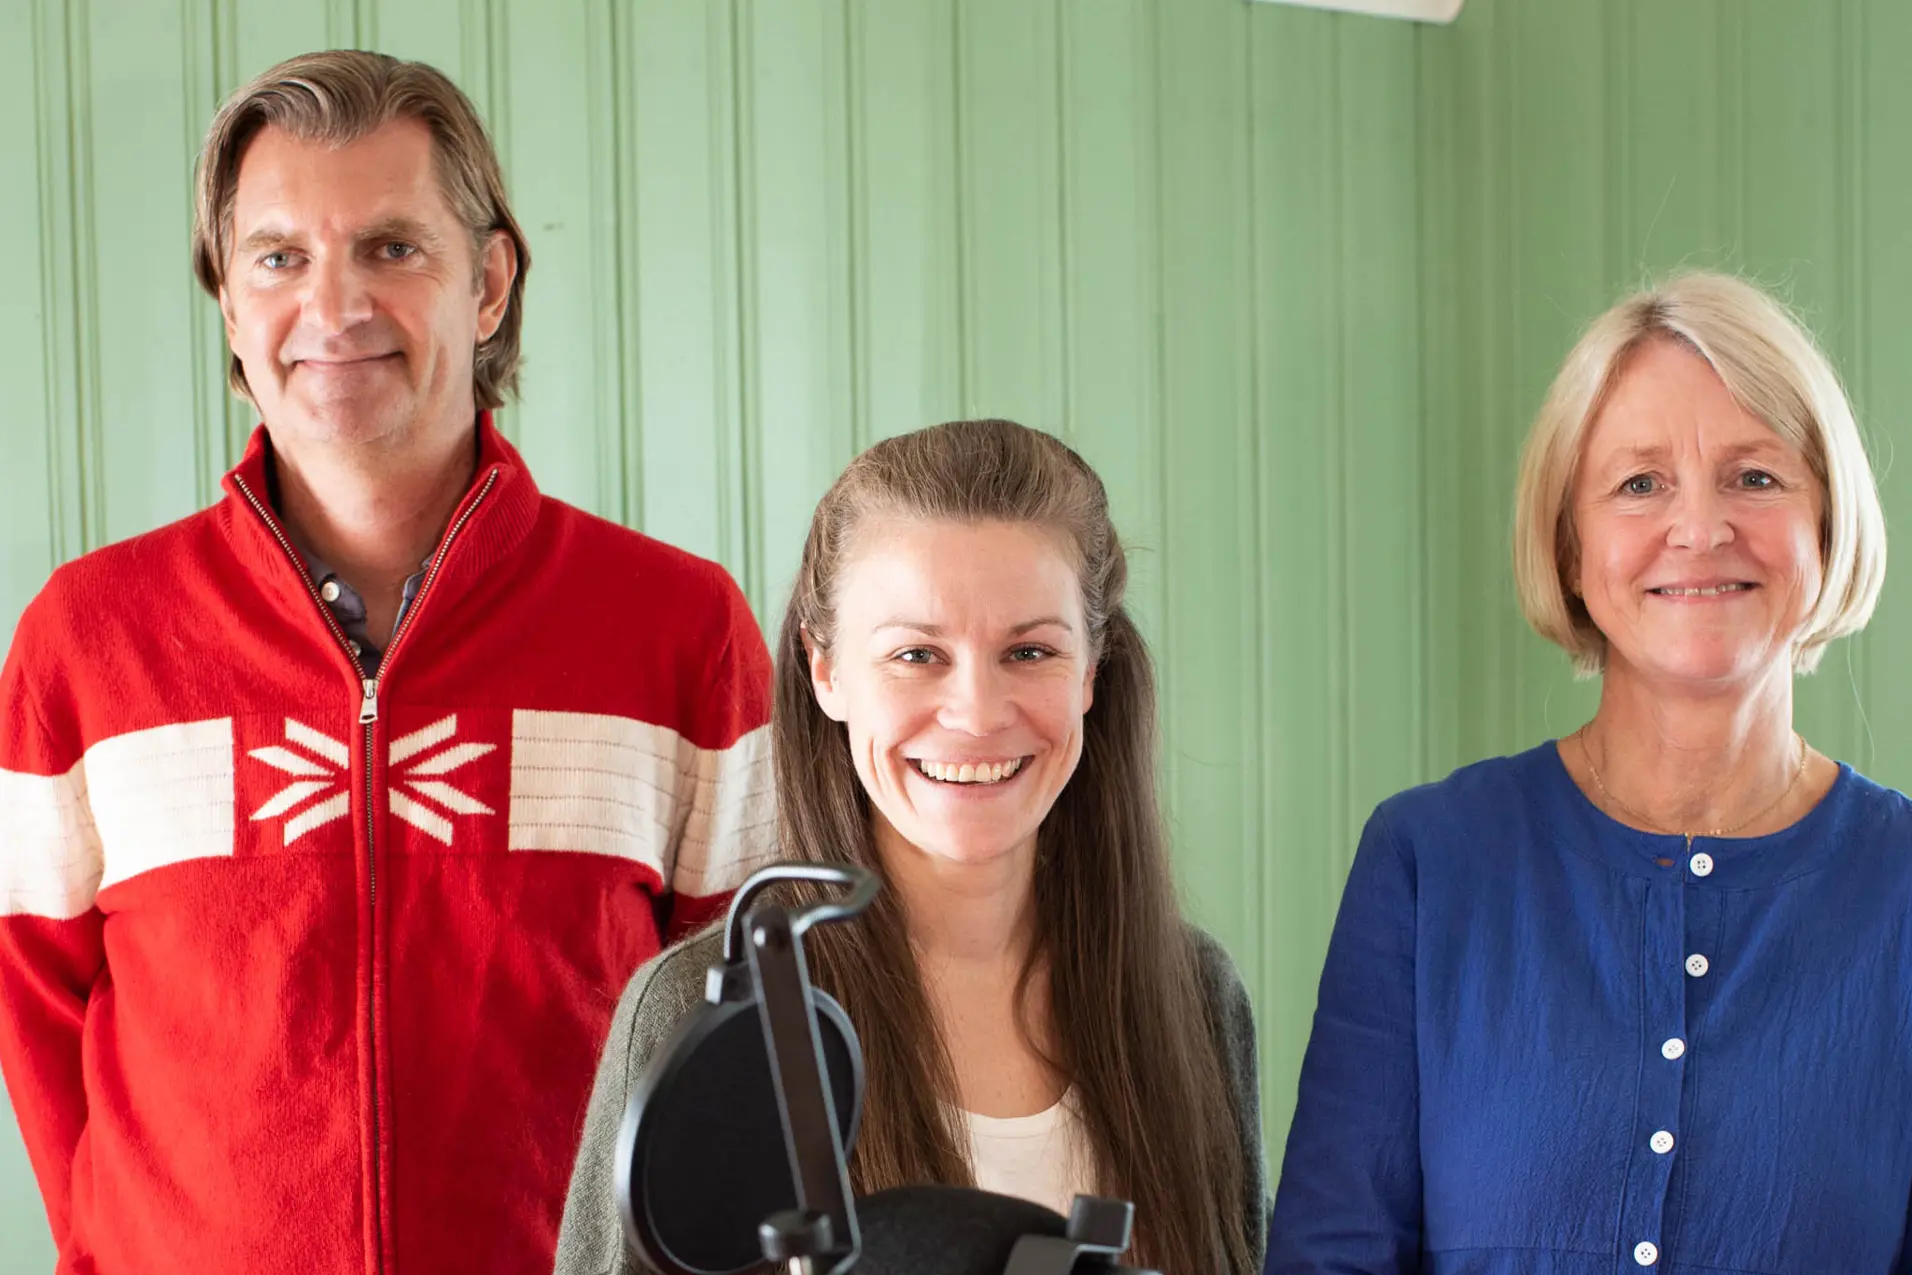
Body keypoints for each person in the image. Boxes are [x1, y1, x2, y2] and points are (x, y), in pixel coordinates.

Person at [0, 51, 775, 1275]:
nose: (333, 306)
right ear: (228, 299)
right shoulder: (86, 639)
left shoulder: (678, 628)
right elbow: (34, 1002)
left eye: (392, 248)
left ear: (489, 282)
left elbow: (743, 1019)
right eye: (279, 257)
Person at [1267, 271, 1909, 1273]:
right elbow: (1330, 1255)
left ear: (1826, 527)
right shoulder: (1430, 863)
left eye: (1754, 476)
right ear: (1571, 547)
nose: (1699, 530)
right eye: (1639, 484)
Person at [556, 418, 1267, 1274]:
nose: (975, 711)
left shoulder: (1194, 996)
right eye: (918, 653)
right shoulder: (704, 1017)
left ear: (1091, 672)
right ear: (826, 672)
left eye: (1030, 650)